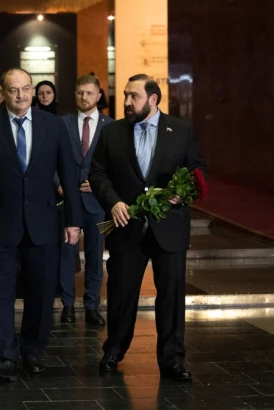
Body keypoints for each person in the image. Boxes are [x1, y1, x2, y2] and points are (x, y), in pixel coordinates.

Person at [0, 68, 82, 382]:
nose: (21, 95)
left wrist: (74, 220)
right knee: (1, 292)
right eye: (14, 90)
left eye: (26, 88)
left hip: (43, 223)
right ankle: (5, 356)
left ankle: (32, 351)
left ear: (32, 90)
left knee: (41, 291)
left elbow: (68, 175)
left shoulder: (53, 125)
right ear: (3, 93)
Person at [89, 74, 207, 381]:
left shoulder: (180, 130)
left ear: (153, 100)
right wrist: (113, 202)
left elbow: (198, 170)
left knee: (171, 296)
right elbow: (97, 174)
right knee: (121, 293)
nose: (127, 102)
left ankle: (172, 361)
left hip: (169, 228)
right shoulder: (111, 132)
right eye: (125, 96)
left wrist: (184, 193)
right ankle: (113, 351)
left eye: (134, 96)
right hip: (126, 226)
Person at [56, 75, 113, 325]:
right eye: (80, 93)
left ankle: (92, 305)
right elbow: (50, 157)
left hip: (96, 202)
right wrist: (58, 183)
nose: (84, 97)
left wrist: (101, 184)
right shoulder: (62, 123)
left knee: (94, 256)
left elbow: (117, 163)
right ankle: (67, 305)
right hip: (67, 200)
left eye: (89, 93)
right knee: (66, 255)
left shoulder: (111, 126)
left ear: (99, 96)